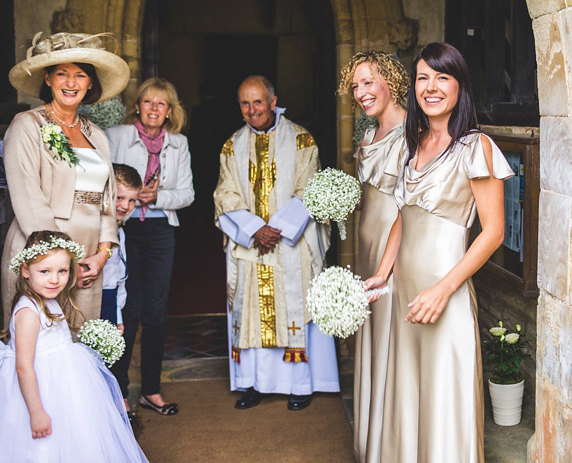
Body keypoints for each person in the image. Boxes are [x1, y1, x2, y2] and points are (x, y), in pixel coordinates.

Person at [365, 42, 513, 462]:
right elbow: (403, 218)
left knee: (444, 403)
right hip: (405, 295)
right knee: (408, 399)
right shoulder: (411, 143)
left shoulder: (474, 146)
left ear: (459, 86)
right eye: (422, 78)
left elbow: (494, 232)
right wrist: (383, 272)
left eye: (441, 77)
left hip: (442, 297)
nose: (430, 87)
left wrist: (442, 290)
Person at [214, 75, 339, 411]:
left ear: (273, 101)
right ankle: (254, 384)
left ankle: (299, 384)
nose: (252, 109)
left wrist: (279, 229)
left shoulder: (301, 140)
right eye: (244, 103)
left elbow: (309, 188)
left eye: (258, 101)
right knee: (251, 310)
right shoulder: (231, 145)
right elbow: (225, 194)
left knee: (293, 310)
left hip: (291, 243)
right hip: (251, 243)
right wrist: (255, 229)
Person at [2, 32, 130, 329]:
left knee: (78, 342)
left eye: (80, 75)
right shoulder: (27, 125)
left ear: (90, 83)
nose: (71, 83)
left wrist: (102, 254)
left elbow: (107, 201)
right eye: (62, 74)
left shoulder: (96, 133)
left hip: (88, 257)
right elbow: (26, 193)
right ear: (48, 79)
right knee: (41, 346)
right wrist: (61, 260)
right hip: (43, 252)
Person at [0, 230, 148, 461]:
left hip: (63, 385)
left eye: (62, 271)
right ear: (26, 271)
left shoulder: (49, 301)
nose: (54, 279)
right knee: (45, 449)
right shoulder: (28, 311)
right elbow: (24, 367)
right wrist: (36, 412)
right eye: (45, 271)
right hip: (40, 393)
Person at [107, 78, 195, 416]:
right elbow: (106, 182)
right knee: (127, 315)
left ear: (170, 111)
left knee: (156, 315)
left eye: (162, 104)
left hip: (160, 232)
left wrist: (155, 196)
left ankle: (152, 391)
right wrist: (129, 197)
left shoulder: (180, 143)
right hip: (123, 229)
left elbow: (187, 194)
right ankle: (120, 393)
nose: (154, 108)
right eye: (148, 102)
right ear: (138, 106)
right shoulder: (116, 136)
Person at [336, 51, 408, 463]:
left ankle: (394, 446)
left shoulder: (414, 131)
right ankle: (372, 442)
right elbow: (369, 197)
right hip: (365, 246)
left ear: (392, 81)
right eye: (356, 85)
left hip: (394, 245)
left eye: (369, 82)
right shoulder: (368, 134)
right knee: (372, 336)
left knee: (393, 338)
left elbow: (412, 203)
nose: (362, 93)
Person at [103, 163, 140, 419]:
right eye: (119, 197)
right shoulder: (100, 229)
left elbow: (119, 277)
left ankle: (118, 400)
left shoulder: (120, 228)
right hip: (103, 301)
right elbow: (108, 278)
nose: (125, 206)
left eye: (132, 201)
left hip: (115, 302)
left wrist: (118, 315)